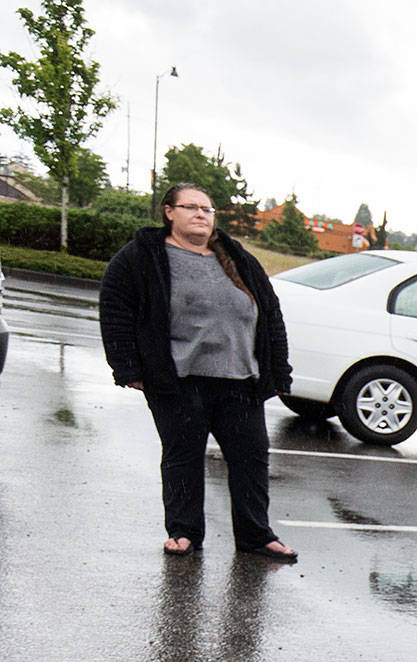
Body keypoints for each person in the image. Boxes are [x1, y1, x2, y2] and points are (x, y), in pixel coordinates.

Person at [100, 184, 297, 563]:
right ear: (168, 212)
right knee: (183, 457)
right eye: (191, 207)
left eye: (208, 209)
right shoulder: (143, 257)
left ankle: (257, 536)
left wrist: (278, 370)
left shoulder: (237, 257)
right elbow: (115, 310)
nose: (201, 215)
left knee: (252, 459)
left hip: (240, 380)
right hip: (178, 380)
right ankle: (184, 532)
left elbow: (270, 313)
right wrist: (126, 366)